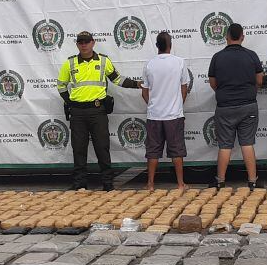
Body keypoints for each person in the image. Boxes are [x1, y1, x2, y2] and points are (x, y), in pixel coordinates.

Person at [57, 31, 141, 191]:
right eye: (80, 42)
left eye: (86, 42)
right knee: (79, 149)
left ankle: (107, 183)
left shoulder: (103, 60)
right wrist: (71, 102)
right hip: (78, 113)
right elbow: (61, 86)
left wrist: (136, 84)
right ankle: (79, 184)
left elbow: (117, 79)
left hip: (97, 112)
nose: (84, 45)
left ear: (93, 43)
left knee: (102, 147)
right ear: (77, 44)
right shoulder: (70, 63)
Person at [207, 23, 264, 190]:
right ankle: (253, 181)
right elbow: (259, 80)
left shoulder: (217, 57)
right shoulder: (251, 55)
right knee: (247, 143)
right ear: (242, 37)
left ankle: (220, 181)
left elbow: (213, 83)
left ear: (226, 36)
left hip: (225, 107)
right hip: (248, 105)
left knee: (225, 145)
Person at [141, 31, 190, 192]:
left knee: (153, 151)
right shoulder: (180, 62)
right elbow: (184, 88)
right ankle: (181, 184)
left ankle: (150, 184)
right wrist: (177, 105)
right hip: (174, 115)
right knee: (176, 150)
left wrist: (153, 105)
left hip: (154, 115)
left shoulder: (149, 64)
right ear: (170, 45)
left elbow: (144, 92)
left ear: (157, 46)